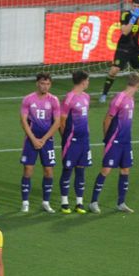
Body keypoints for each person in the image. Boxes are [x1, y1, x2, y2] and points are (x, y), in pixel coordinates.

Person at [90, 72, 139, 213]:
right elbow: (107, 119)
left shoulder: (131, 99)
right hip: (115, 141)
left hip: (126, 141)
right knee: (106, 169)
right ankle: (93, 202)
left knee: (125, 170)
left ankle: (121, 203)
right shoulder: (119, 99)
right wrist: (107, 139)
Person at [100, 0, 139, 103]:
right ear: (131, 5)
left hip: (135, 48)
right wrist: (132, 20)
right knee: (114, 70)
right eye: (134, 6)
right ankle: (104, 94)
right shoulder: (125, 14)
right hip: (123, 47)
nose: (136, 8)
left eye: (138, 7)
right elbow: (125, 32)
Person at [19, 72, 61, 214]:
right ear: (37, 83)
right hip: (31, 140)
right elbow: (23, 121)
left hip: (47, 141)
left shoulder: (54, 100)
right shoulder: (28, 99)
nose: (45, 86)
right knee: (28, 170)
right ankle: (25, 202)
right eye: (43, 83)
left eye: (48, 84)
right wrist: (33, 139)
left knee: (49, 171)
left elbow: (57, 123)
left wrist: (43, 139)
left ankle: (46, 202)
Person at [58, 70, 93, 214]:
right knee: (67, 170)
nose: (88, 83)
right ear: (83, 81)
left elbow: (85, 119)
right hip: (71, 141)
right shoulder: (69, 98)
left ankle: (79, 202)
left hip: (84, 141)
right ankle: (64, 202)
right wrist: (65, 138)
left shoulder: (86, 97)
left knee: (81, 170)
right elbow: (62, 120)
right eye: (88, 80)